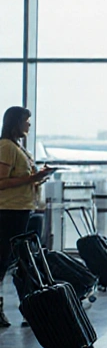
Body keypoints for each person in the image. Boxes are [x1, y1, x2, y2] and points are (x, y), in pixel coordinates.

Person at [0, 106, 55, 327]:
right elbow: (1, 182)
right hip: (9, 211)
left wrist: (38, 178)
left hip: (22, 209)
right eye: (26, 120)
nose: (29, 124)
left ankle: (30, 307)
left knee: (22, 259)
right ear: (16, 123)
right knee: (5, 258)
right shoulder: (5, 147)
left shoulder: (17, 147)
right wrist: (32, 179)